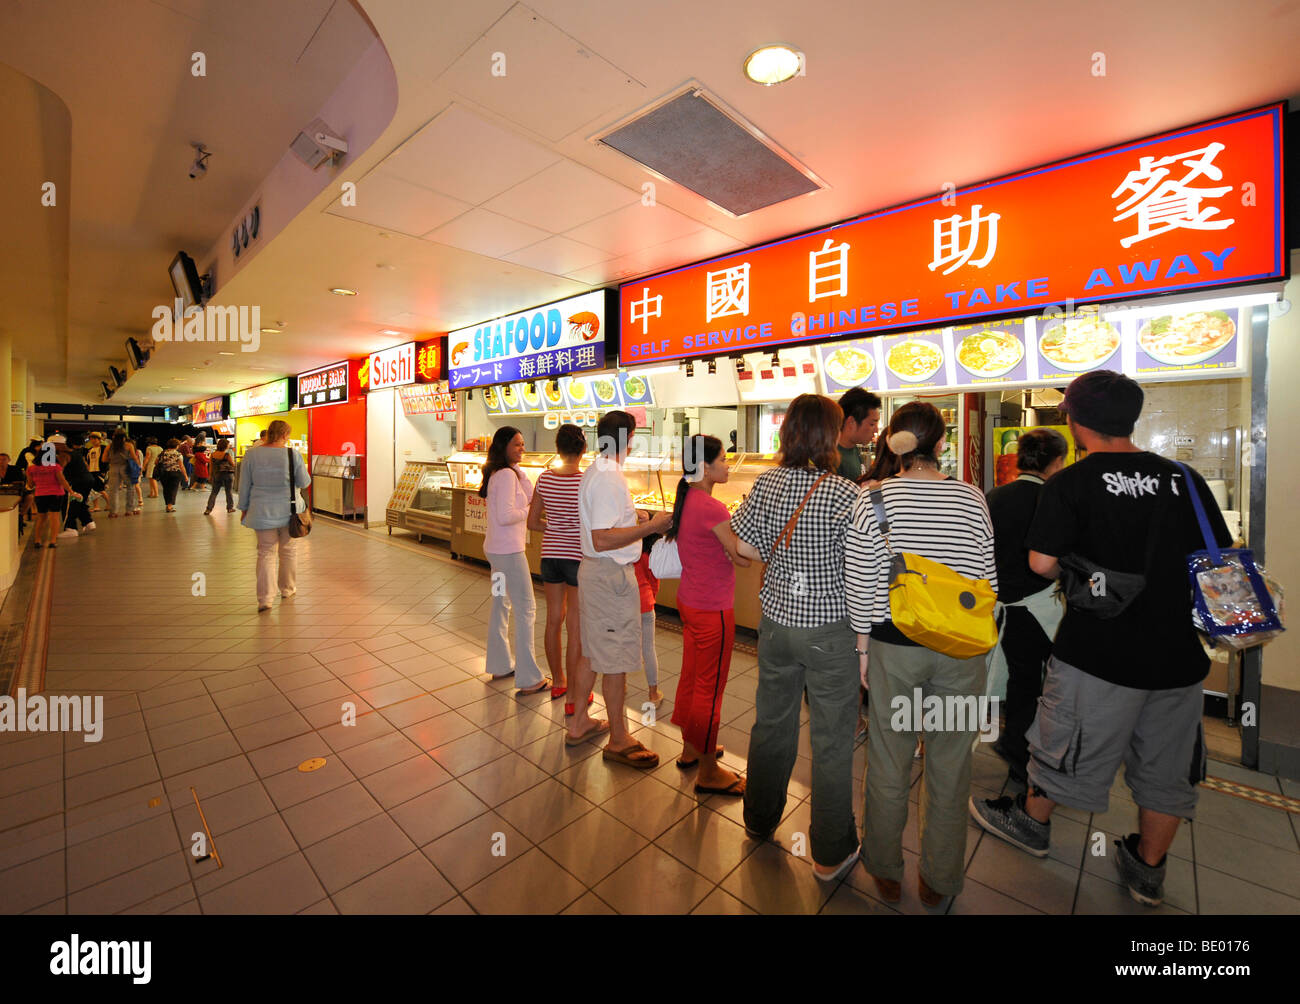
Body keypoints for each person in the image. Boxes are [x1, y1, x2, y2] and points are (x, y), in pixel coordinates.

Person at [970, 371, 1232, 908]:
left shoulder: (1074, 482)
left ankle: (1030, 824)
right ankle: (1147, 868)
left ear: (1075, 419)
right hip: (1177, 657)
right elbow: (1215, 557)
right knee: (1166, 767)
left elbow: (1041, 565)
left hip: (1097, 651)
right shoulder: (1183, 478)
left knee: (1064, 744)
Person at [844, 402, 998, 906]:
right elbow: (987, 582)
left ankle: (885, 868)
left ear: (894, 443)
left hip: (895, 646)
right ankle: (940, 880)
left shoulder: (873, 500)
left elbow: (861, 582)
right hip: (960, 651)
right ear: (941, 442)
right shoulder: (972, 499)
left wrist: (862, 651)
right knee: (951, 765)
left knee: (889, 757)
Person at [729, 393, 862, 881]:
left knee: (772, 724)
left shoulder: (766, 483)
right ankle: (829, 852)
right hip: (830, 631)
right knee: (830, 739)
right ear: (831, 435)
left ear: (787, 433)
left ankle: (760, 819)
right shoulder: (846, 493)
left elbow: (744, 545)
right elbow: (862, 567)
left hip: (778, 626)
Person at [568, 410, 672, 767]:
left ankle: (580, 721)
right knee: (614, 660)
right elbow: (602, 538)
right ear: (626, 438)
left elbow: (605, 526)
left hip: (594, 574)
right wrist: (651, 526)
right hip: (610, 577)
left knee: (591, 653)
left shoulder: (596, 470)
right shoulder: (610, 477)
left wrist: (634, 518)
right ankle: (619, 737)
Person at [984, 428, 1070, 784]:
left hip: (1004, 608)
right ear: (1057, 462)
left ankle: (1014, 744)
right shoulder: (1057, 499)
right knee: (1052, 686)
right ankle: (1033, 758)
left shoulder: (994, 496)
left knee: (1022, 680)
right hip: (1046, 608)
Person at [667, 434, 750, 796]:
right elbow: (741, 557)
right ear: (705, 466)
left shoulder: (688, 500)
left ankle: (690, 748)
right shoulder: (712, 508)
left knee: (691, 678)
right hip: (713, 609)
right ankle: (708, 771)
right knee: (710, 689)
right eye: (723, 459)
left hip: (690, 602)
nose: (728, 465)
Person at [480, 426, 548, 695]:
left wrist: (523, 475)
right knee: (526, 608)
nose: (522, 448)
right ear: (504, 446)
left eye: (523, 444)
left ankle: (500, 664)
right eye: (517, 444)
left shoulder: (503, 473)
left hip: (496, 551)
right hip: (509, 552)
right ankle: (529, 677)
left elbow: (529, 495)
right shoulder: (506, 475)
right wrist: (529, 511)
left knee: (501, 604)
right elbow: (507, 515)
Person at [527, 423, 587, 704]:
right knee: (575, 624)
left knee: (553, 619)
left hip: (550, 555)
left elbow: (532, 521)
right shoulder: (585, 481)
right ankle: (575, 690)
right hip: (577, 557)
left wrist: (554, 527)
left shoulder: (544, 478)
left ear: (558, 449)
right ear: (583, 449)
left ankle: (558, 682)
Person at [238, 419, 311, 612]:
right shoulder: (292, 454)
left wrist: (244, 508)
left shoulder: (251, 454)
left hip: (261, 511)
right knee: (288, 551)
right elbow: (304, 482)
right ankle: (287, 589)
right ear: (286, 435)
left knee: (265, 553)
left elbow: (244, 484)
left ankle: (265, 599)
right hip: (290, 511)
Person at [25, 445, 77, 548]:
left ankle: (37, 540)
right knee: (54, 517)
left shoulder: (31, 469)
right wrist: (71, 491)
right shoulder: (55, 467)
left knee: (41, 518)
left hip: (40, 495)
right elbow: (62, 481)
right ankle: (53, 541)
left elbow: (30, 485)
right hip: (56, 494)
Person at [632, 539, 663, 708]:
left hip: (624, 604)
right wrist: (652, 598)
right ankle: (653, 693)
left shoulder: (623, 551)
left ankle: (620, 686)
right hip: (644, 602)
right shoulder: (646, 554)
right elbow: (654, 580)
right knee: (648, 648)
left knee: (623, 646)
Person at [836, 387, 882, 482]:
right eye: (872, 424)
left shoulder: (854, 449)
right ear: (851, 422)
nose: (876, 430)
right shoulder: (832, 458)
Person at [59, 442, 96, 534]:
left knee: (69, 504)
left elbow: (60, 470)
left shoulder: (64, 455)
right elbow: (86, 465)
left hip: (76, 482)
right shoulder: (76, 453)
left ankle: (70, 528)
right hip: (88, 479)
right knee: (80, 502)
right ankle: (88, 522)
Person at [104, 431, 141, 517]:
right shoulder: (128, 445)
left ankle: (113, 512)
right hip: (126, 468)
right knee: (130, 488)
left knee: (113, 491)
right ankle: (129, 510)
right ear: (124, 437)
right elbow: (134, 458)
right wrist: (138, 468)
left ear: (113, 437)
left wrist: (113, 460)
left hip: (113, 468)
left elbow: (104, 459)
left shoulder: (109, 446)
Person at [205, 438, 238, 514]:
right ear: (225, 446)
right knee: (228, 491)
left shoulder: (213, 455)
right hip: (228, 475)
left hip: (217, 475)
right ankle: (230, 508)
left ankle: (208, 509)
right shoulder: (227, 455)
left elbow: (211, 466)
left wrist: (210, 476)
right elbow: (233, 464)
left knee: (214, 492)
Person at [157, 439, 189, 512]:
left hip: (164, 473)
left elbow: (156, 462)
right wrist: (185, 476)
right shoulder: (178, 454)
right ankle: (169, 506)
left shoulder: (162, 453)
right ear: (177, 446)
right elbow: (181, 466)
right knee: (173, 489)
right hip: (175, 473)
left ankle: (168, 504)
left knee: (166, 489)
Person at [83, 432, 108, 512]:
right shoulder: (90, 450)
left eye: (95, 439)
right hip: (91, 471)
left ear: (99, 439)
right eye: (91, 439)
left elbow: (106, 460)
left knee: (100, 489)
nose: (93, 441)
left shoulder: (103, 448)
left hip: (99, 471)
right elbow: (88, 461)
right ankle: (96, 506)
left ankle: (109, 503)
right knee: (93, 490)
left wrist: (104, 470)